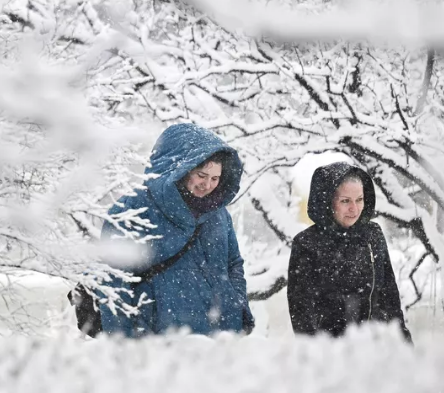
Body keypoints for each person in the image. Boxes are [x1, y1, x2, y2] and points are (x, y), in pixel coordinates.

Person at [98, 122, 254, 337]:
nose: (208, 185)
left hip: (220, 337)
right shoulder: (131, 210)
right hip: (158, 341)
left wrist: (237, 304)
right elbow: (113, 282)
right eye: (201, 175)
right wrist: (122, 343)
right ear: (179, 169)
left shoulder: (218, 213)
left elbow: (233, 264)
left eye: (215, 178)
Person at [287, 162, 412, 341]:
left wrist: (404, 343)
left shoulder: (373, 235)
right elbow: (302, 317)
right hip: (332, 356)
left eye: (359, 199)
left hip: (377, 350)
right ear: (327, 201)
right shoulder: (306, 244)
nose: (354, 209)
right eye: (345, 201)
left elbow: (389, 298)